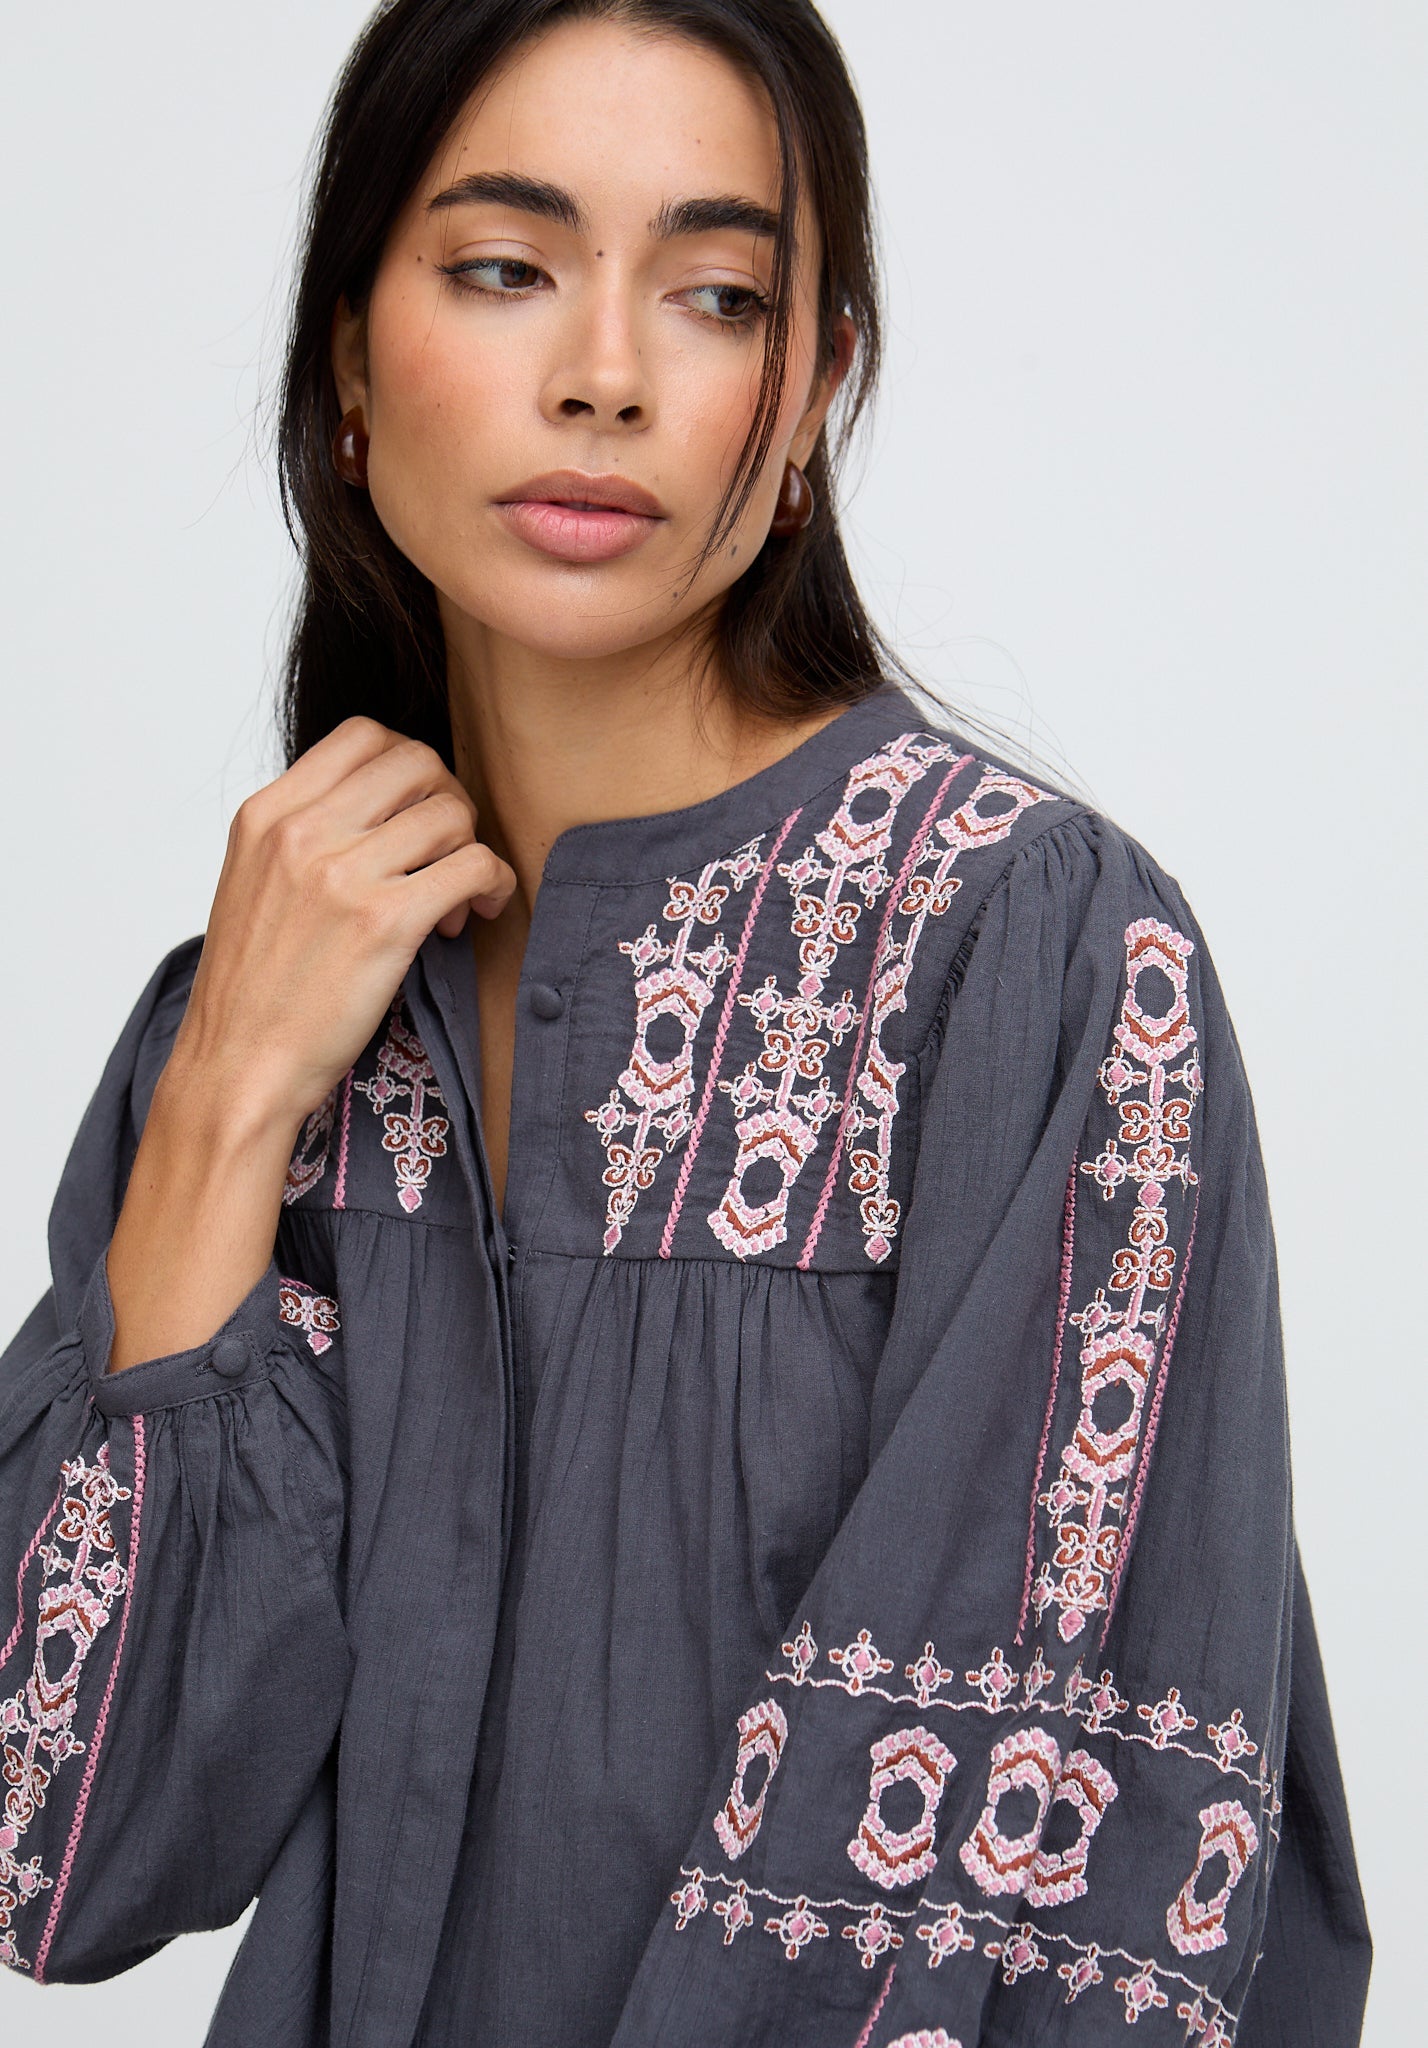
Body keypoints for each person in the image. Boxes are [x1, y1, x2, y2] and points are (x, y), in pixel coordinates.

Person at [0, 2, 1370, 2043]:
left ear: (809, 391)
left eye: (716, 294)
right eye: (501, 268)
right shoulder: (257, 1018)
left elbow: (1037, 1871)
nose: (606, 375)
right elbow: (69, 1850)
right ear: (351, 365)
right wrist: (221, 1104)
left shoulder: (1026, 954)